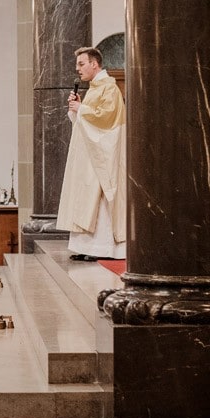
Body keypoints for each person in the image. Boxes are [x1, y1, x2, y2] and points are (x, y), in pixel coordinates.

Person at [56, 46, 127, 261]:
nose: (78, 69)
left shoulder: (109, 88)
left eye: (81, 64)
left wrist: (82, 110)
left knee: (100, 201)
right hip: (88, 157)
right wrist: (76, 110)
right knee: (85, 199)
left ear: (94, 64)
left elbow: (107, 120)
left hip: (101, 158)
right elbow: (85, 122)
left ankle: (102, 249)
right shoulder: (94, 89)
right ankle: (87, 247)